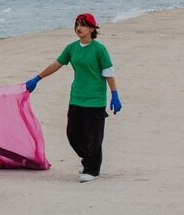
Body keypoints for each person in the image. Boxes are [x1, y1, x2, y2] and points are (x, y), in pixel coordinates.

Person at [25, 13, 123, 183]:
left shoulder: (99, 49)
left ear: (92, 29)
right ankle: (88, 160)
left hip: (95, 99)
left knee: (93, 137)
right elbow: (57, 64)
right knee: (73, 134)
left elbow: (108, 72)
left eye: (83, 25)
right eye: (77, 24)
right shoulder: (72, 48)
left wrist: (114, 94)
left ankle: (92, 170)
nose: (79, 28)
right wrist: (37, 78)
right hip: (76, 97)